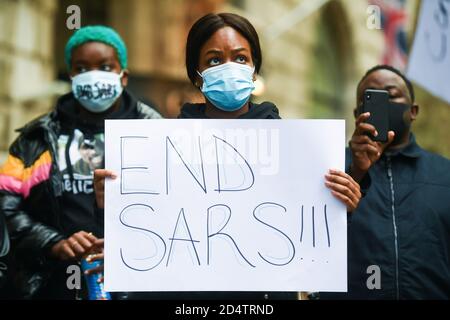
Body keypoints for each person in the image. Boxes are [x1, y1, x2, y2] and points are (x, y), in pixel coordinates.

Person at [94, 13, 364, 300]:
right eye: (213, 60)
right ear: (196, 75)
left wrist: (340, 208)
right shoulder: (161, 149)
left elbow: (312, 238)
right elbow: (142, 237)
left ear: (254, 70)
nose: (228, 68)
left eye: (240, 58)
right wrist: (108, 204)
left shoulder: (296, 150)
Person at [0, 25, 162, 299]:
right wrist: (52, 242)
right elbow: (6, 203)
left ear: (124, 77)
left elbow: (174, 211)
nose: (93, 75)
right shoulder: (35, 137)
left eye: (105, 66)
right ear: (71, 75)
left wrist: (128, 249)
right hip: (52, 285)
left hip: (136, 286)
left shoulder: (157, 133)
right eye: (82, 68)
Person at [321, 65, 450, 299]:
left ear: (413, 111)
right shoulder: (331, 170)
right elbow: (315, 241)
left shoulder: (445, 174)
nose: (384, 103)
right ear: (357, 112)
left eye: (391, 95)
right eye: (371, 98)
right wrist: (356, 173)